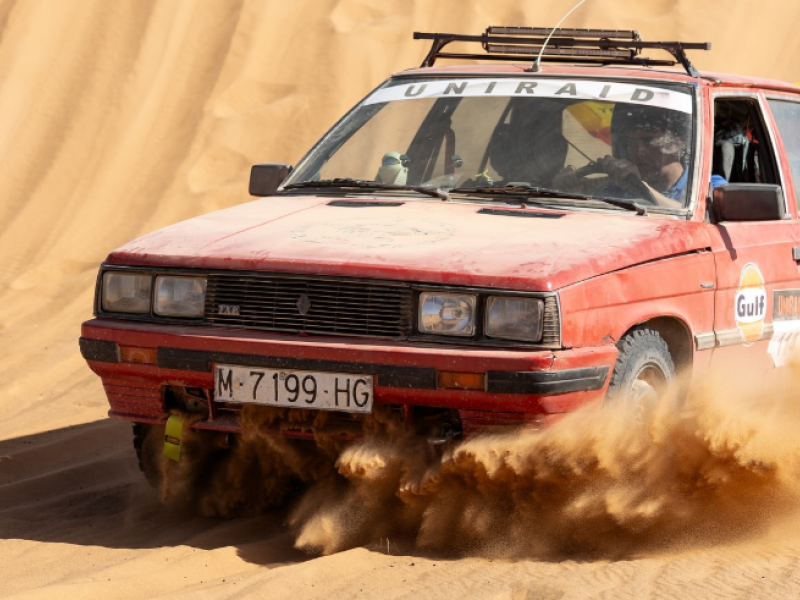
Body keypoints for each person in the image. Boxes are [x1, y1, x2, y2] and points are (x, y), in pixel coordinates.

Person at [554, 104, 726, 209]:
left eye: (649, 141)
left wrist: (641, 189)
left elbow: (695, 216)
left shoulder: (710, 187)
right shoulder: (615, 190)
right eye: (630, 143)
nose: (637, 153)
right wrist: (571, 195)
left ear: (678, 144)